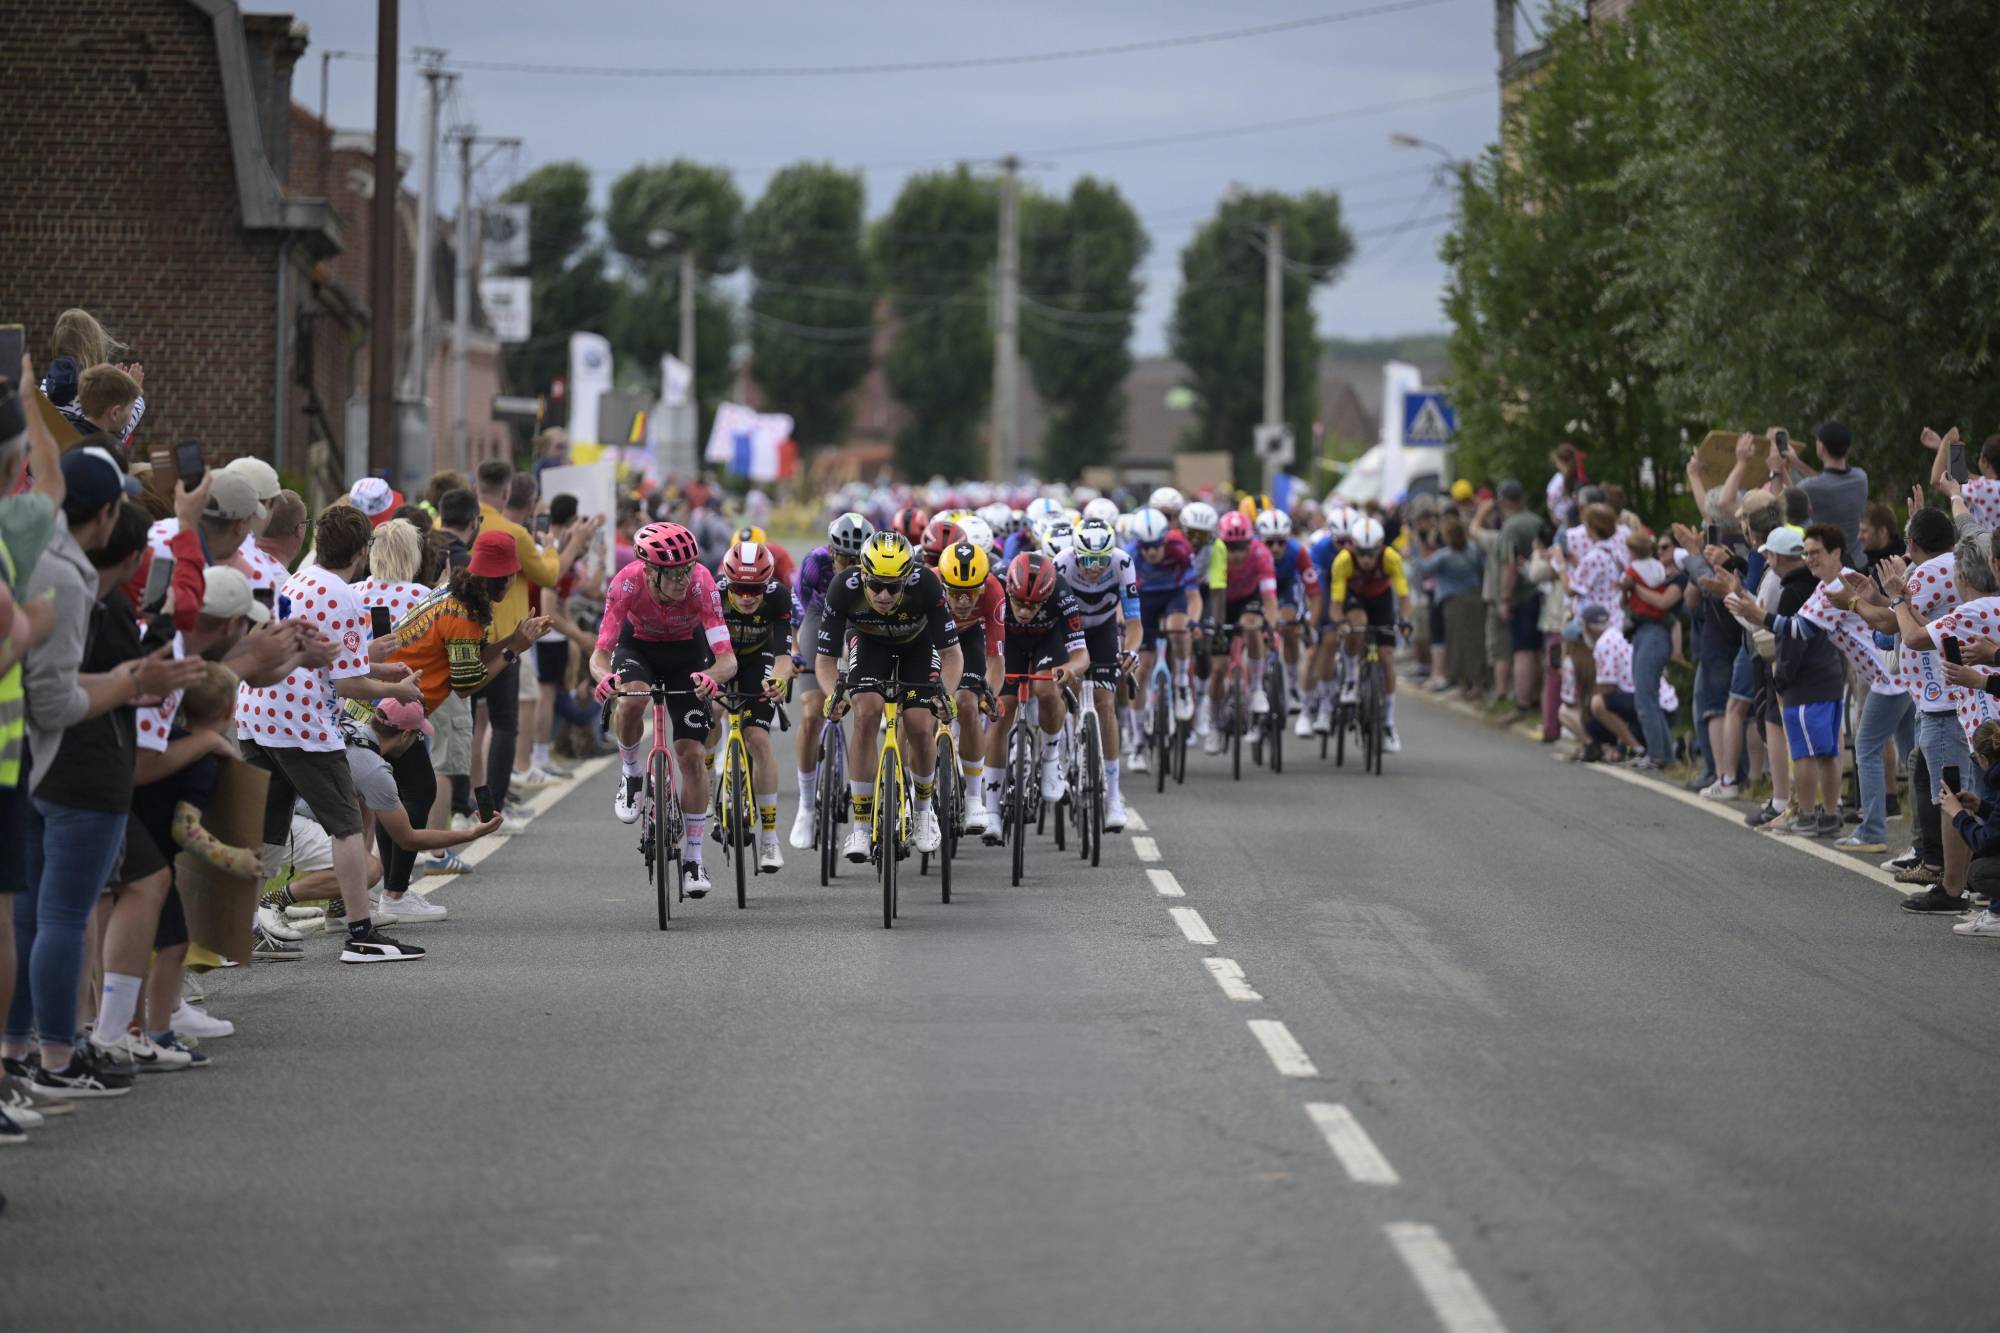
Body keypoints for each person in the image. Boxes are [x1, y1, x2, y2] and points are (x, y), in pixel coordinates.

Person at [10, 451, 203, 1095]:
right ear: (106, 519)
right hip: (77, 766)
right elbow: (55, 698)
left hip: (40, 765)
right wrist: (131, 683)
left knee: (40, 916)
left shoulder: (40, 556)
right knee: (63, 916)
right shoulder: (69, 582)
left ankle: (30, 1053)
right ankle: (59, 1055)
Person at [236, 502, 429, 963]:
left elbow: (331, 659)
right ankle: (361, 933)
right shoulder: (344, 596)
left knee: (264, 833)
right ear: (362, 551)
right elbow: (345, 683)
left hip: (257, 714)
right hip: (302, 725)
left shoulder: (298, 580)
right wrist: (397, 688)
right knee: (346, 827)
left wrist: (377, 664)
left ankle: (239, 932)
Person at [591, 522, 737, 897]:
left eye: (686, 569)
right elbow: (600, 655)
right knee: (632, 696)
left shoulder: (703, 584)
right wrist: (605, 678)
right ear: (649, 571)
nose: (682, 579)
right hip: (637, 648)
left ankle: (693, 858)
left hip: (687, 653)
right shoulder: (626, 583)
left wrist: (710, 677)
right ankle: (632, 772)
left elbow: (727, 660)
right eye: (672, 573)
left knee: (690, 753)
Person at [816, 532, 961, 861]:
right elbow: (824, 660)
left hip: (918, 647)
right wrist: (831, 695)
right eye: (876, 585)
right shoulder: (843, 588)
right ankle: (862, 826)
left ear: (907, 580)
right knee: (865, 713)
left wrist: (946, 694)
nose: (883, 594)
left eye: (893, 587)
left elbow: (952, 654)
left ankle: (924, 812)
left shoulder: (925, 584)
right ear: (863, 575)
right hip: (870, 645)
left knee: (920, 724)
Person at [1727, 526, 1847, 835]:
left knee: (1805, 752)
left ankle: (1806, 813)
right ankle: (1830, 813)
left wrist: (1781, 677)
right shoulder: (1820, 584)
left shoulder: (1794, 590)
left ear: (1778, 557)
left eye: (1769, 556)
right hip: (1830, 675)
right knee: (1827, 750)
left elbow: (1794, 636)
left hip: (1807, 681)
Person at [978, 551, 1087, 842]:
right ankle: (991, 812)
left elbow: (1081, 655)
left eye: (1034, 605)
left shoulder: (1061, 592)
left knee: (1047, 689)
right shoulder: (995, 584)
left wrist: (1069, 668)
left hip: (1046, 641)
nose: (1026, 610)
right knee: (1001, 712)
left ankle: (1051, 757)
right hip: (1008, 642)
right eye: (1019, 603)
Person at [787, 512, 873, 850]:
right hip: (820, 615)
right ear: (830, 551)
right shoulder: (815, 564)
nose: (849, 566)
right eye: (843, 558)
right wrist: (798, 652)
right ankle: (807, 806)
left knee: (867, 709)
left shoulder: (876, 568)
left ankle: (866, 808)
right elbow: (799, 614)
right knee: (811, 712)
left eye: (856, 560)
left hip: (862, 620)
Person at [715, 540, 795, 871]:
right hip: (718, 656)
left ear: (767, 584)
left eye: (755, 590)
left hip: (757, 660)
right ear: (727, 583)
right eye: (740, 589)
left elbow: (782, 658)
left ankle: (770, 839)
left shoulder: (778, 596)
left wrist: (779, 681)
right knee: (711, 713)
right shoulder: (713, 594)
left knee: (759, 739)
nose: (748, 597)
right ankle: (707, 786)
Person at [1056, 519, 1141, 830]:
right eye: (1087, 560)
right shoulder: (1062, 564)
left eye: (1101, 560)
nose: (1093, 567)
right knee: (1062, 695)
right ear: (1075, 553)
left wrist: (1130, 651)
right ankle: (1060, 759)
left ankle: (1113, 797)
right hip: (1069, 630)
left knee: (1106, 703)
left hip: (1103, 629)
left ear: (1111, 554)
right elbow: (1053, 618)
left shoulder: (1123, 563)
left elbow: (1134, 623)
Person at [936, 539, 1005, 833]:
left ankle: (975, 798)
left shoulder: (993, 591)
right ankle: (912, 788)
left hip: (968, 640)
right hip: (930, 641)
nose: (964, 602)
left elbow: (996, 659)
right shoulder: (928, 586)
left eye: (971, 594)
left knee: (967, 703)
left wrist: (987, 694)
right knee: (915, 708)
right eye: (956, 593)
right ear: (943, 585)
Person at [1325, 516, 1409, 753]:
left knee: (1386, 658)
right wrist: (1341, 622)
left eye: (1371, 553)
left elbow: (1404, 597)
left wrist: (1403, 620)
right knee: (1357, 624)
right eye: (1361, 553)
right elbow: (1335, 604)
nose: (1366, 560)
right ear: (1352, 546)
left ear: (1380, 547)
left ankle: (1389, 725)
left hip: (1381, 601)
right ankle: (1351, 678)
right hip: (1355, 598)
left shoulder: (1391, 558)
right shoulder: (1343, 561)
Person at [1127, 506, 1198, 749]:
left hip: (1173, 595)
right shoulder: (1130, 556)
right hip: (1144, 600)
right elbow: (1120, 598)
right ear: (1138, 544)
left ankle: (1180, 682)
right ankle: (1137, 739)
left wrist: (1193, 621)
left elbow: (1194, 596)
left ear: (1165, 539)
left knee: (1179, 629)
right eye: (1145, 546)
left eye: (1156, 545)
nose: (1152, 552)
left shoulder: (1180, 550)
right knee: (1141, 669)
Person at [1415, 513, 1484, 699]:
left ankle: (1463, 684)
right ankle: (1477, 683)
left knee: (1456, 643)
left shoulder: (1444, 556)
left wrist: (1417, 546)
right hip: (1475, 598)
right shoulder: (1473, 549)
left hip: (1453, 602)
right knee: (1475, 641)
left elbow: (1423, 568)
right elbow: (1481, 569)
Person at [1775, 421, 1868, 555]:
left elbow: (1781, 508)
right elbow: (1828, 480)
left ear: (1822, 448)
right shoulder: (1861, 478)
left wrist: (1776, 471)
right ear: (1847, 449)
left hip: (1826, 563)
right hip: (1858, 560)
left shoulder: (1809, 487)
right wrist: (1797, 463)